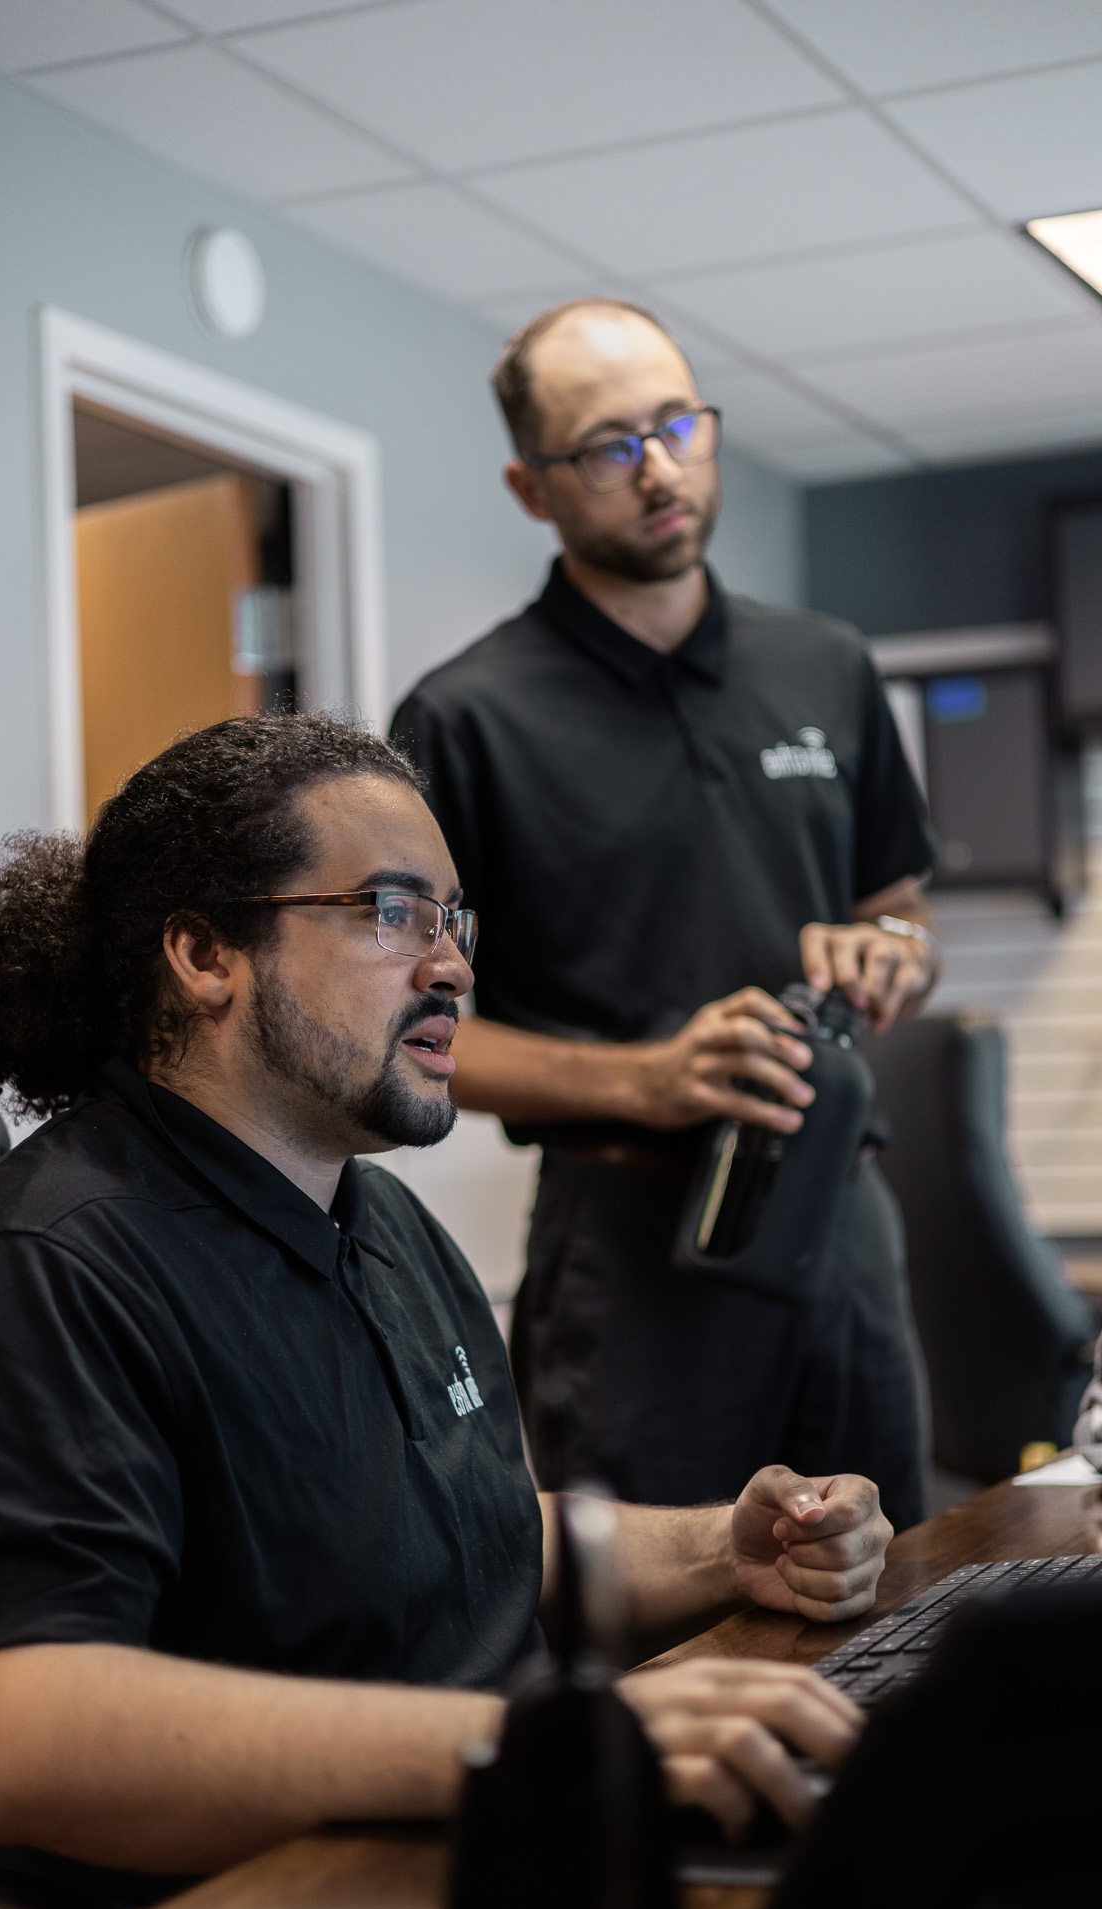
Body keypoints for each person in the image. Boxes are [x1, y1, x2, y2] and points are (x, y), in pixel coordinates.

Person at [0, 715, 890, 1909]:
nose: (454, 964)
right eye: (389, 909)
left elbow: (451, 1532)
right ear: (206, 952)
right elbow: (20, 1737)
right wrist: (533, 1741)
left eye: (453, 917)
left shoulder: (383, 1224)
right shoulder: (42, 1270)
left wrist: (724, 1549)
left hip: (490, 1850)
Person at [391, 298, 940, 1533]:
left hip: (840, 1217)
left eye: (678, 425)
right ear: (531, 488)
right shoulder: (464, 718)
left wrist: (890, 952)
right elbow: (406, 1025)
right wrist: (650, 1078)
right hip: (630, 1250)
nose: (660, 470)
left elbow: (899, 909)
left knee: (891, 1580)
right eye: (608, 447)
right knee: (658, 1626)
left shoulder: (826, 665)